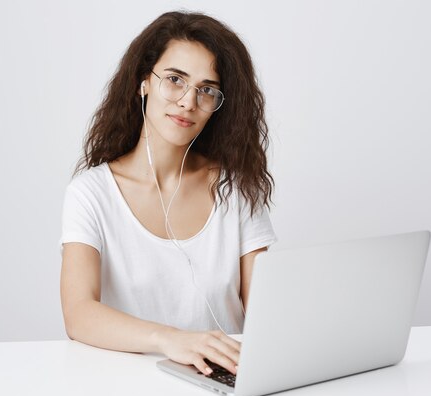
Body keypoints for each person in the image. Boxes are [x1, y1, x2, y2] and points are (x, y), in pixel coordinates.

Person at [59, 10, 276, 377]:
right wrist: (172, 340)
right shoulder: (91, 194)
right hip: (130, 387)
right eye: (175, 80)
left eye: (207, 90)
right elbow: (78, 313)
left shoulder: (235, 189)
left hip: (225, 382)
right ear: (144, 81)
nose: (188, 102)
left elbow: (267, 314)